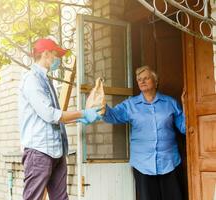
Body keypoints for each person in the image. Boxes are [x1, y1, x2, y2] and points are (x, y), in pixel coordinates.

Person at [81, 66, 186, 200]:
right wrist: (102, 105)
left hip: (169, 162)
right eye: (139, 79)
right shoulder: (130, 105)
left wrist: (188, 106)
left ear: (156, 81)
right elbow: (112, 116)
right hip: (143, 164)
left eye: (146, 78)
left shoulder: (170, 103)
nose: (142, 81)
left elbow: (184, 128)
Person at [19, 38, 101, 200]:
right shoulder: (32, 79)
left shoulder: (45, 79)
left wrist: (79, 119)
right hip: (39, 151)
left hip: (57, 150)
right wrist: (83, 113)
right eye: (56, 55)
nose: (59, 60)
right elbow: (50, 114)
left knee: (61, 198)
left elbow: (54, 117)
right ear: (46, 54)